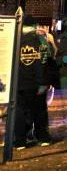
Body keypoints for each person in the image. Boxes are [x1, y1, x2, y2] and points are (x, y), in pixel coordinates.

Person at [14, 16, 52, 148]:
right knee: (39, 110)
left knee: (19, 112)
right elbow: (46, 60)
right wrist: (44, 81)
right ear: (34, 25)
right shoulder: (41, 40)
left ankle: (20, 140)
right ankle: (43, 137)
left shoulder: (15, 40)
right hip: (37, 83)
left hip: (19, 83)